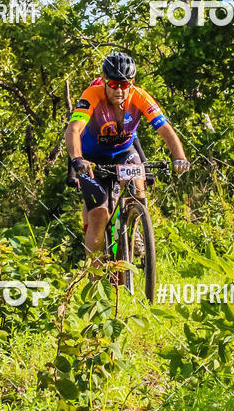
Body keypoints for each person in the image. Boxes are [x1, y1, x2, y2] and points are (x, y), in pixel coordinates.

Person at [65, 52, 190, 259]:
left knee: (138, 189)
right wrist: (77, 159)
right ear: (105, 82)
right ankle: (95, 280)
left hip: (124, 152)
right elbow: (73, 129)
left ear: (132, 83)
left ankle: (137, 225)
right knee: (99, 215)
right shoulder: (92, 94)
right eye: (114, 85)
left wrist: (179, 156)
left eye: (126, 84)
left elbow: (165, 128)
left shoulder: (140, 96)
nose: (120, 90)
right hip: (92, 157)